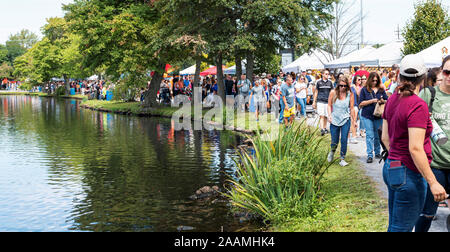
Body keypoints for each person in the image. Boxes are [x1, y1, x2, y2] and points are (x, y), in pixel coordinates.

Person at [381, 54, 447, 232]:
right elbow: (415, 148)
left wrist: (398, 156)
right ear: (424, 77)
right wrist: (433, 182)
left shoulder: (393, 99)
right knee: (401, 228)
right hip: (409, 173)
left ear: (399, 76)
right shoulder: (417, 104)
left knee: (395, 226)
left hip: (392, 166)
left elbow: (385, 138)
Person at [415, 56, 450, 232]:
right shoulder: (429, 94)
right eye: (447, 71)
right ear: (441, 72)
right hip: (435, 165)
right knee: (427, 213)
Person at [358, 72, 388, 163]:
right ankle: (370, 155)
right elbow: (360, 104)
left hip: (378, 115)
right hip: (367, 115)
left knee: (377, 135)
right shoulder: (364, 90)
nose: (374, 82)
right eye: (373, 80)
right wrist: (372, 101)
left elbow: (388, 101)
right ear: (369, 80)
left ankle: (377, 152)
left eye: (376, 80)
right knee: (370, 135)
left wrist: (382, 101)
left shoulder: (381, 90)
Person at [327, 76, 356, 167]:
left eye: (345, 86)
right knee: (334, 140)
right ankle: (332, 151)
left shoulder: (350, 94)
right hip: (334, 119)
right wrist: (329, 115)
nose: (343, 88)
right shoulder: (333, 93)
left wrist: (354, 121)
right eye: (341, 85)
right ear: (338, 85)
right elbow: (328, 105)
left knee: (344, 139)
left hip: (345, 119)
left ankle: (342, 158)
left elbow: (351, 108)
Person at [313, 70, 333, 135]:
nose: (327, 75)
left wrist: (332, 101)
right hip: (320, 100)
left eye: (328, 74)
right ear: (323, 74)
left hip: (328, 101)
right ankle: (322, 129)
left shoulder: (330, 82)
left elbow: (332, 92)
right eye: (326, 74)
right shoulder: (318, 82)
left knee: (326, 116)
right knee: (321, 115)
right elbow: (316, 92)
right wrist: (314, 101)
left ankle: (324, 128)